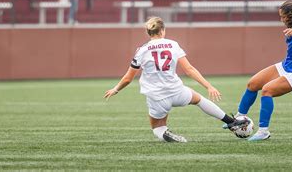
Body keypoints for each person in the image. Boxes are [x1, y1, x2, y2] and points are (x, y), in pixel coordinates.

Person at [104, 17, 249, 142]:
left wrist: (116, 89)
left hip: (157, 96)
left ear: (149, 32)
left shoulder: (142, 50)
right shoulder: (173, 44)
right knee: (199, 100)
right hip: (176, 90)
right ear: (162, 31)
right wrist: (209, 86)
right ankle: (231, 122)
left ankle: (165, 133)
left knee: (157, 127)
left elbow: (129, 78)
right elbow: (189, 70)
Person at [232, 0, 292, 141]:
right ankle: (237, 119)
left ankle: (263, 131)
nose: (281, 19)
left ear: (291, 16)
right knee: (252, 84)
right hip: (286, 66)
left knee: (267, 90)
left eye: (283, 16)